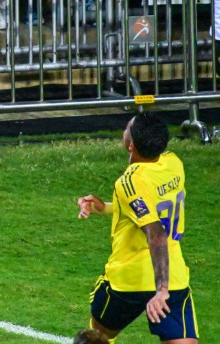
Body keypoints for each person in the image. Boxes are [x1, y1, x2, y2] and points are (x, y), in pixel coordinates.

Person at [76, 113, 197, 344]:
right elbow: (148, 206)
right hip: (174, 277)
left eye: (127, 128)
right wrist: (105, 208)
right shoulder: (173, 163)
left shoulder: (129, 182)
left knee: (96, 339)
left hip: (129, 281)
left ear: (131, 145)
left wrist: (160, 290)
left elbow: (156, 232)